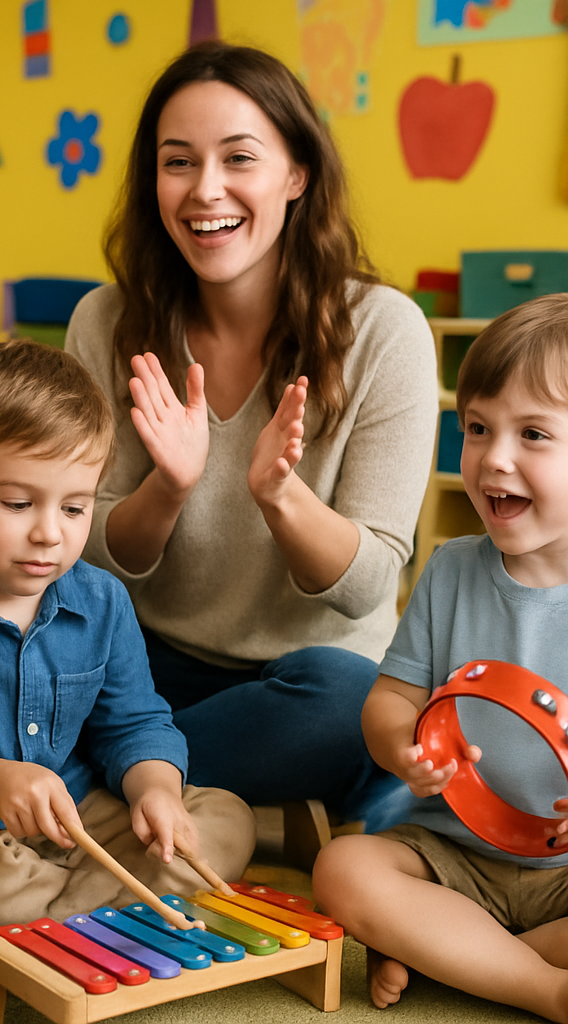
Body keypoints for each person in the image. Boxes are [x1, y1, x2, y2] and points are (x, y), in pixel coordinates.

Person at [64, 41, 438, 835]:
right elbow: (83, 546)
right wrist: (166, 489)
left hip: (302, 680)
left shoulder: (384, 332)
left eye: (239, 158)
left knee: (348, 704)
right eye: (178, 162)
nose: (206, 191)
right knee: (25, 666)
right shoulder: (105, 322)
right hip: (144, 665)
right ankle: (259, 815)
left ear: (296, 174)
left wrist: (279, 496)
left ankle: (108, 784)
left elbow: (368, 581)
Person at [0, 339, 256, 942]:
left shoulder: (103, 602)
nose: (49, 533)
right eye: (19, 503)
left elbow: (133, 724)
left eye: (75, 509)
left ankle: (63, 917)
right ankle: (112, 912)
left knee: (225, 820)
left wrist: (156, 790)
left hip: (80, 815)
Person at [313, 294, 568, 1022]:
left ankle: (455, 954)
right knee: (344, 867)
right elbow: (389, 700)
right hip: (455, 853)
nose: (496, 458)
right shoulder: (452, 567)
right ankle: (537, 982)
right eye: (478, 428)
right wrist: (403, 748)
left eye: (534, 435)